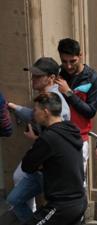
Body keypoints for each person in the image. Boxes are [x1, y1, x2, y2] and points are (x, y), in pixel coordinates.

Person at [6, 57, 71, 223]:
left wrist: (38, 139)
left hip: (53, 163)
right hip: (42, 156)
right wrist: (15, 108)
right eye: (32, 75)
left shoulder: (57, 101)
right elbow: (35, 115)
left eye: (37, 76)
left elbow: (60, 135)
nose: (32, 79)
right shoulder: (46, 96)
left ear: (50, 78)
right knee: (18, 181)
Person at [21, 92, 86, 225]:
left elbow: (27, 166)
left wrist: (38, 146)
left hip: (62, 206)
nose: (34, 113)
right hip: (79, 201)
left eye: (36, 110)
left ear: (46, 112)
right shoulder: (72, 130)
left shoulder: (48, 138)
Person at [55, 38, 97, 184]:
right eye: (64, 61)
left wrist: (69, 93)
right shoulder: (58, 73)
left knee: (77, 183)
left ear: (81, 55)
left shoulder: (93, 79)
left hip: (78, 139)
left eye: (72, 61)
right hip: (56, 136)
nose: (68, 66)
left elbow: (90, 111)